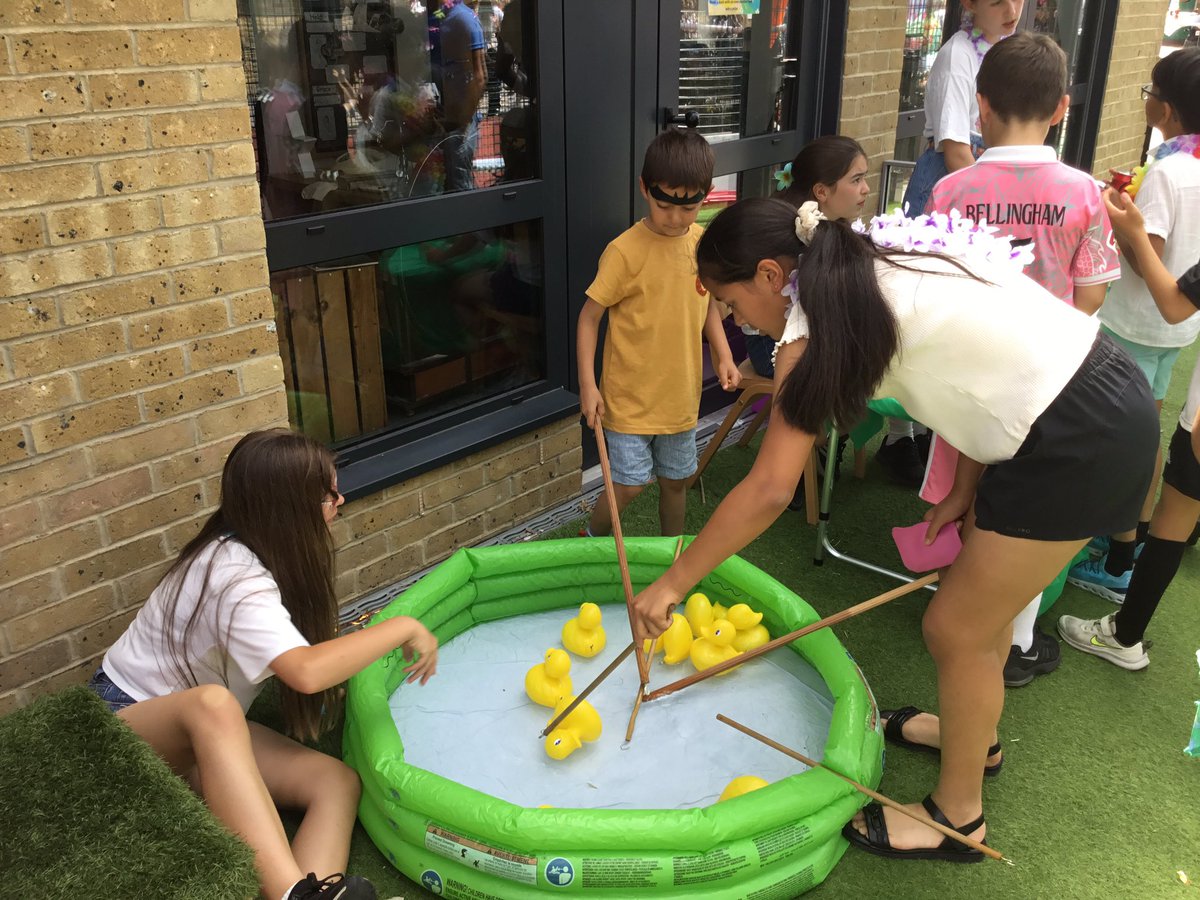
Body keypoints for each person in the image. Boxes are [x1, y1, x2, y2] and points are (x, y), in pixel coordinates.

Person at [630, 198, 1157, 861]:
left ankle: (958, 817)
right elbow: (978, 361)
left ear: (770, 275)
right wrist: (965, 482)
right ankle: (976, 738)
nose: (739, 324)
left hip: (1079, 435)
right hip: (1077, 405)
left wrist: (673, 582)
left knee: (955, 627)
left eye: (732, 307)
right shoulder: (865, 259)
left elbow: (770, 487)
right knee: (981, 617)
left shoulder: (813, 328)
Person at [86, 430, 439, 900]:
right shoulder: (235, 576)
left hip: (205, 735)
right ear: (288, 508)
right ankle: (296, 894)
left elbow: (306, 663)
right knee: (211, 704)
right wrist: (402, 627)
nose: (340, 500)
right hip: (125, 727)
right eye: (328, 494)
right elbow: (305, 671)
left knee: (336, 781)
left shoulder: (253, 550)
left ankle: (310, 893)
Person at [926, 32, 1123, 686]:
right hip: (1051, 380)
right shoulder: (1084, 192)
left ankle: (961, 603)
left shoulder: (952, 191)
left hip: (971, 373)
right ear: (1062, 107)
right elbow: (1091, 291)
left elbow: (934, 286)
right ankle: (1015, 637)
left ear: (980, 106)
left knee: (967, 488)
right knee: (1026, 512)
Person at [1069, 47, 1200, 603]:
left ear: (1164, 109)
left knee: (1124, 438)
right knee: (1144, 430)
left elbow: (1151, 260)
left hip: (1135, 324)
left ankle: (1119, 552)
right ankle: (1129, 537)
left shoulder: (1170, 174)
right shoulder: (1188, 165)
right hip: (1174, 333)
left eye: (1149, 93)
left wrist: (1115, 218)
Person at [1058, 188, 1200, 670]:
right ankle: (1125, 618)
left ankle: (1121, 588)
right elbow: (1180, 310)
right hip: (1183, 378)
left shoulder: (1172, 175)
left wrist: (1133, 233)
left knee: (1171, 508)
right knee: (1172, 510)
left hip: (1186, 395)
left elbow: (1174, 302)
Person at [577, 127, 740, 538]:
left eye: (689, 208)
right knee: (630, 483)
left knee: (676, 482)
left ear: (707, 194)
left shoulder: (700, 245)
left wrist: (723, 354)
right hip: (628, 400)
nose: (675, 218)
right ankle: (593, 537)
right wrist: (587, 386)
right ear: (643, 189)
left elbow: (705, 306)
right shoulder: (623, 252)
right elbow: (588, 318)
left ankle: (673, 557)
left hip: (679, 398)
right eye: (664, 204)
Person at [900, 0, 1025, 218]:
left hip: (983, 182)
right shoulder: (957, 57)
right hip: (951, 182)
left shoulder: (1007, 51)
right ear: (970, 4)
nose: (1011, 11)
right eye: (997, 3)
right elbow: (956, 153)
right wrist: (995, 208)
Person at [436, 0, 486, 192]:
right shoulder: (446, 14)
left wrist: (462, 124)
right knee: (452, 181)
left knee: (460, 185)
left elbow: (480, 77)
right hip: (453, 120)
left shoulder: (463, 19)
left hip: (459, 123)